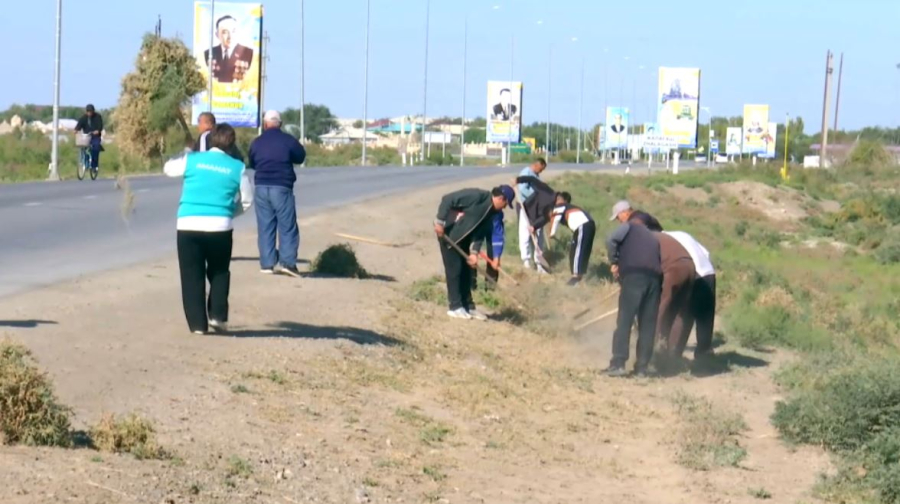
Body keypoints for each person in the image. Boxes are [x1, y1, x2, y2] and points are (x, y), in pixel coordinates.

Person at [163, 124, 253, 334]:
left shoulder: (193, 160)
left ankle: (197, 325)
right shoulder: (237, 167)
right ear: (232, 143)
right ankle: (218, 316)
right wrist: (228, 213)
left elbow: (168, 169)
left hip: (188, 225)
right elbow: (247, 200)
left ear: (211, 140)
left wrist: (187, 150)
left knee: (191, 274)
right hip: (220, 227)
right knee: (219, 271)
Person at [434, 185, 514, 321]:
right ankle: (455, 306)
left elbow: (480, 233)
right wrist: (440, 222)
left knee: (466, 272)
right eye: (506, 203)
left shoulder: (492, 212)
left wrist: (474, 253)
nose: (505, 207)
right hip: (449, 235)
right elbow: (447, 199)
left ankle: (468, 306)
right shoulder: (477, 196)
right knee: (455, 271)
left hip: (464, 239)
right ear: (501, 198)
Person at [605, 200, 662, 377]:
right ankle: (642, 368)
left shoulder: (629, 226)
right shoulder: (651, 234)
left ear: (624, 213)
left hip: (634, 277)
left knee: (625, 320)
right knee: (647, 324)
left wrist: (614, 262)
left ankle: (618, 364)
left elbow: (610, 240)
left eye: (618, 218)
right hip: (655, 280)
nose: (619, 222)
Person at [248, 110, 306, 277]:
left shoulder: (257, 142)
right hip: (281, 187)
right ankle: (287, 263)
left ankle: (267, 264)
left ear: (265, 125)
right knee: (287, 226)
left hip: (261, 187)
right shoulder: (288, 141)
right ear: (280, 124)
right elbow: (300, 157)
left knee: (265, 225)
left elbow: (251, 161)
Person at [665, 231, 717, 358]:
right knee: (705, 316)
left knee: (683, 314)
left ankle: (673, 354)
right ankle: (704, 352)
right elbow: (706, 252)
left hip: (689, 273)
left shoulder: (659, 240)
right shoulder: (680, 234)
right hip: (707, 272)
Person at [651, 230, 695, 357]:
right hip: (691, 268)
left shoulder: (647, 238)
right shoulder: (666, 237)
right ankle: (672, 355)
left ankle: (652, 349)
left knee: (660, 308)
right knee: (679, 312)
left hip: (674, 269)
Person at [550, 192, 596, 286]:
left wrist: (552, 233)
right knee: (579, 250)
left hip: (582, 226)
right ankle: (580, 277)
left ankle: (575, 278)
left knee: (578, 251)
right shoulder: (570, 207)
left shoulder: (560, 206)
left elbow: (555, 220)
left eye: (557, 199)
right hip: (587, 226)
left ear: (561, 199)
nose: (555, 201)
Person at [516, 158, 549, 272]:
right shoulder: (526, 173)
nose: (541, 171)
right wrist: (536, 196)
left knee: (538, 233)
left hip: (537, 208)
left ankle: (539, 262)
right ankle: (526, 260)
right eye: (541, 169)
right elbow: (522, 189)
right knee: (525, 233)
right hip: (526, 206)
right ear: (536, 165)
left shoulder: (536, 176)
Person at [204, 15, 254, 83]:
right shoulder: (208, 53)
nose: (230, 37)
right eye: (225, 32)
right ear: (217, 35)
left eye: (233, 31)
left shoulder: (248, 53)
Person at [472, 211, 505, 289]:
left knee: (493, 256)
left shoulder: (497, 213)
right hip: (475, 222)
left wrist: (496, 258)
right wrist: (474, 251)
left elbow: (497, 235)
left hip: (492, 221)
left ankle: (490, 288)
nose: (505, 207)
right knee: (470, 257)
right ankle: (470, 287)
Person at [74, 104, 103, 172]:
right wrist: (76, 130)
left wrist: (97, 131)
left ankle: (94, 166)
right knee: (83, 148)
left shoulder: (98, 117)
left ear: (93, 111)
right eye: (88, 112)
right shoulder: (83, 118)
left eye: (90, 111)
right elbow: (78, 126)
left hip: (95, 137)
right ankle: (85, 163)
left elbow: (100, 126)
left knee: (95, 148)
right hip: (86, 137)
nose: (89, 113)